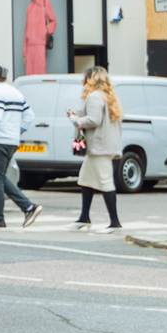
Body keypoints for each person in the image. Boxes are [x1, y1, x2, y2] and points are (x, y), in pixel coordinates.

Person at [0, 67, 41, 228]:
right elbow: (29, 116)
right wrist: (16, 131)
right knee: (0, 177)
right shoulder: (16, 93)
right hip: (12, 141)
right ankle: (27, 207)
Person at [69, 67, 124, 230]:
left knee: (106, 182)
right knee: (85, 179)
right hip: (106, 146)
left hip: (99, 147)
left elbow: (93, 120)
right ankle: (84, 217)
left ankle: (115, 222)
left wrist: (75, 119)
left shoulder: (94, 97)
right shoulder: (109, 97)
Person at [23, 0, 58, 78]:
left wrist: (44, 30)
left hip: (39, 46)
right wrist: (25, 53)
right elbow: (26, 31)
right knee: (29, 79)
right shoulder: (29, 7)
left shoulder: (44, 2)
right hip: (30, 48)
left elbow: (53, 21)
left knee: (40, 77)